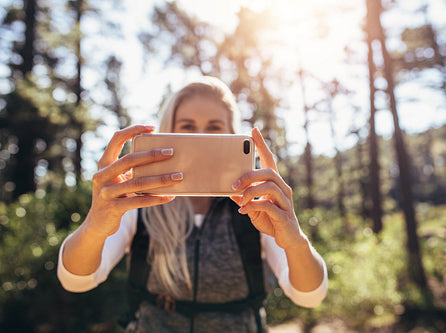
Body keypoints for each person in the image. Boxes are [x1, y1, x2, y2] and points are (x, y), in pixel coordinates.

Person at [57, 76, 327, 333]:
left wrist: (295, 241)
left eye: (214, 128)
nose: (200, 138)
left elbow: (309, 296)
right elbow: (76, 280)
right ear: (168, 132)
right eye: (187, 127)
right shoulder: (139, 201)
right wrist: (95, 225)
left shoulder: (256, 202)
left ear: (232, 135)